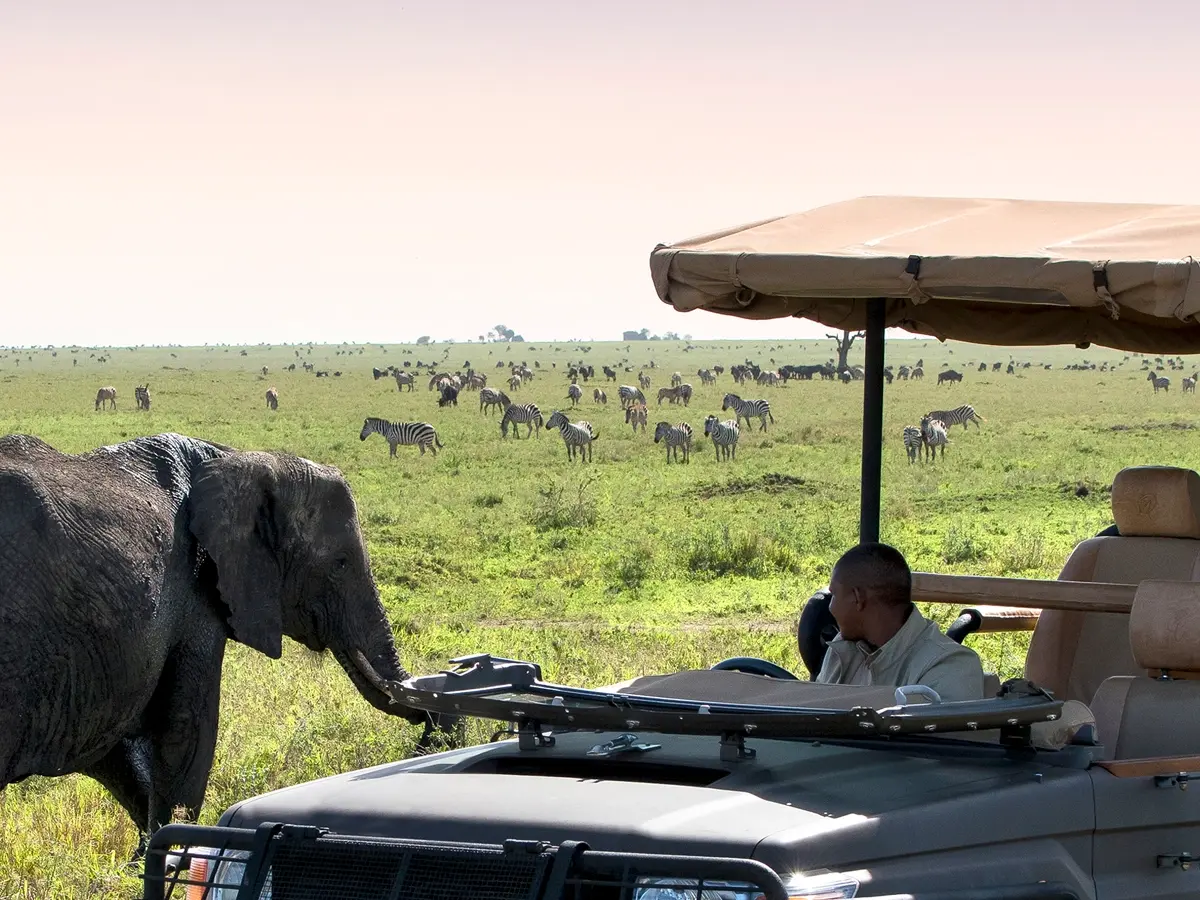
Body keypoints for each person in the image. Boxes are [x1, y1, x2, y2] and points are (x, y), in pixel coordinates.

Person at [814, 542, 986, 701]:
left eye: (835, 594)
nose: (831, 607)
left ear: (858, 598)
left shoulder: (950, 666)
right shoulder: (843, 649)